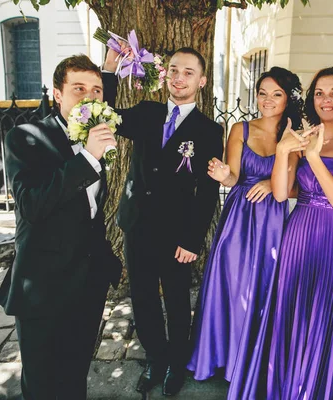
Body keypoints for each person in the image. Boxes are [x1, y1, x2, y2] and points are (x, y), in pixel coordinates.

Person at [0, 54, 122, 399]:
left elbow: (96, 97)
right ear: (57, 94)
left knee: (74, 374)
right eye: (78, 89)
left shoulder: (93, 130)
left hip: (88, 281)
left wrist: (107, 71)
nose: (89, 97)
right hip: (43, 286)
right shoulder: (25, 138)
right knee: (42, 383)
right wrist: (88, 159)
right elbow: (32, 205)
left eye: (96, 91)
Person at [102, 47, 224, 396]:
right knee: (142, 297)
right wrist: (110, 69)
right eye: (173, 70)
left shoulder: (208, 130)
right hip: (137, 224)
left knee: (175, 298)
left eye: (187, 72)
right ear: (165, 75)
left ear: (201, 80)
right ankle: (156, 356)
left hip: (176, 235)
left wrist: (192, 240)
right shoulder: (147, 113)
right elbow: (106, 115)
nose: (178, 77)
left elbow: (207, 191)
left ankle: (176, 362)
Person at [188, 67, 303, 383]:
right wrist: (224, 176)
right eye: (263, 93)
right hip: (240, 216)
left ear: (287, 99)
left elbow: (295, 186)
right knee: (233, 282)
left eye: (276, 94)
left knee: (264, 285)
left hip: (273, 220)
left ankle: (252, 361)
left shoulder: (293, 136)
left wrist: (270, 184)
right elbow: (235, 176)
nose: (267, 100)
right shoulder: (240, 129)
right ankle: (223, 357)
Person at [259, 67, 333, 400]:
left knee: (325, 311)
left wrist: (314, 157)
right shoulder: (300, 138)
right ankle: (285, 387)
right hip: (298, 232)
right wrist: (283, 152)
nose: (326, 100)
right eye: (319, 93)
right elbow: (281, 193)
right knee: (292, 308)